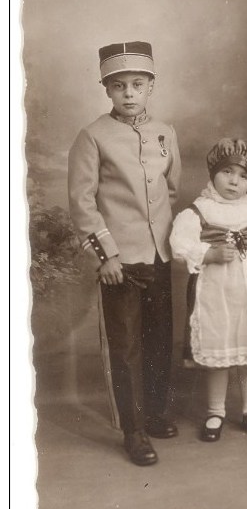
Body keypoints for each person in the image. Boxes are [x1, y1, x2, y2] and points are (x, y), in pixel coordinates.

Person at [68, 40, 181, 466]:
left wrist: (167, 241)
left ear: (151, 85)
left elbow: (170, 188)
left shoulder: (165, 132)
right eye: (119, 86)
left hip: (158, 255)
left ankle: (153, 413)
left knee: (158, 340)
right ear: (107, 90)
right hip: (120, 259)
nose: (129, 93)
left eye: (137, 84)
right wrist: (106, 256)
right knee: (126, 345)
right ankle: (133, 430)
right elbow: (82, 201)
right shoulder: (93, 136)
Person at [170, 138, 247, 442]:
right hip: (215, 292)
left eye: (243, 176)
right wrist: (209, 254)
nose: (234, 181)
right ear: (214, 173)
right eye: (227, 173)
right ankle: (216, 411)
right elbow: (180, 245)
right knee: (219, 346)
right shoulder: (199, 211)